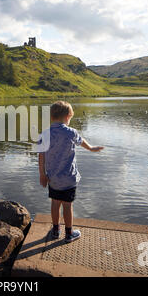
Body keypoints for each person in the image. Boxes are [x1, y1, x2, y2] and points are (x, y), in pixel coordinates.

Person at [38, 101, 103, 243]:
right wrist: (91, 148)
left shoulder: (44, 134)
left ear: (52, 116)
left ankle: (55, 231)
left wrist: (42, 175)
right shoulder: (71, 132)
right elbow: (81, 141)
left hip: (53, 178)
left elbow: (41, 156)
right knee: (68, 205)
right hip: (69, 178)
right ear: (67, 116)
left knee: (55, 203)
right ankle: (69, 234)